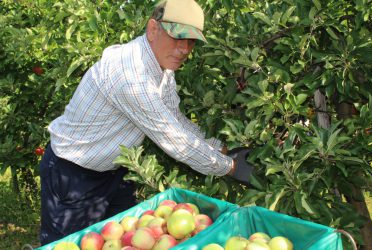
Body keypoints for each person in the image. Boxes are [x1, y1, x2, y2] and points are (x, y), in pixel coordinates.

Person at [39, 0, 253, 245]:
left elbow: (177, 120)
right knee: (67, 245)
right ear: (153, 29)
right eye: (177, 38)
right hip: (73, 175)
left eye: (191, 41)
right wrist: (231, 168)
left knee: (127, 241)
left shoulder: (162, 69)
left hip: (114, 172)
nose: (184, 49)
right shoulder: (131, 76)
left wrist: (224, 151)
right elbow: (174, 140)